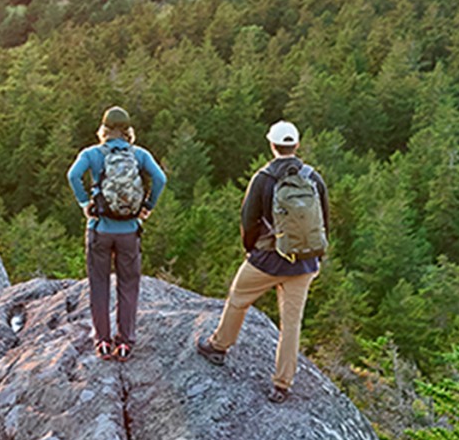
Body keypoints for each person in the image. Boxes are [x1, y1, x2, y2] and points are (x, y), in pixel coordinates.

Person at [195, 120, 330, 403]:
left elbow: (249, 220)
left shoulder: (264, 178)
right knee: (291, 324)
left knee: (238, 299)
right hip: (303, 264)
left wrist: (251, 251)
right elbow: (324, 221)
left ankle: (218, 347)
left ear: (272, 145)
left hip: (267, 260)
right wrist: (316, 257)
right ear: (296, 145)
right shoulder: (313, 178)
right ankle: (282, 385)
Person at [66, 106, 166, 361]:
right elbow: (160, 179)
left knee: (99, 285)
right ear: (128, 131)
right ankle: (125, 343)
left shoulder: (92, 154)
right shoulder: (139, 155)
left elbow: (73, 175)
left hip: (99, 228)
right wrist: (147, 207)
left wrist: (84, 204)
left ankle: (102, 342)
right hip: (129, 230)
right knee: (128, 285)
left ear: (104, 130)